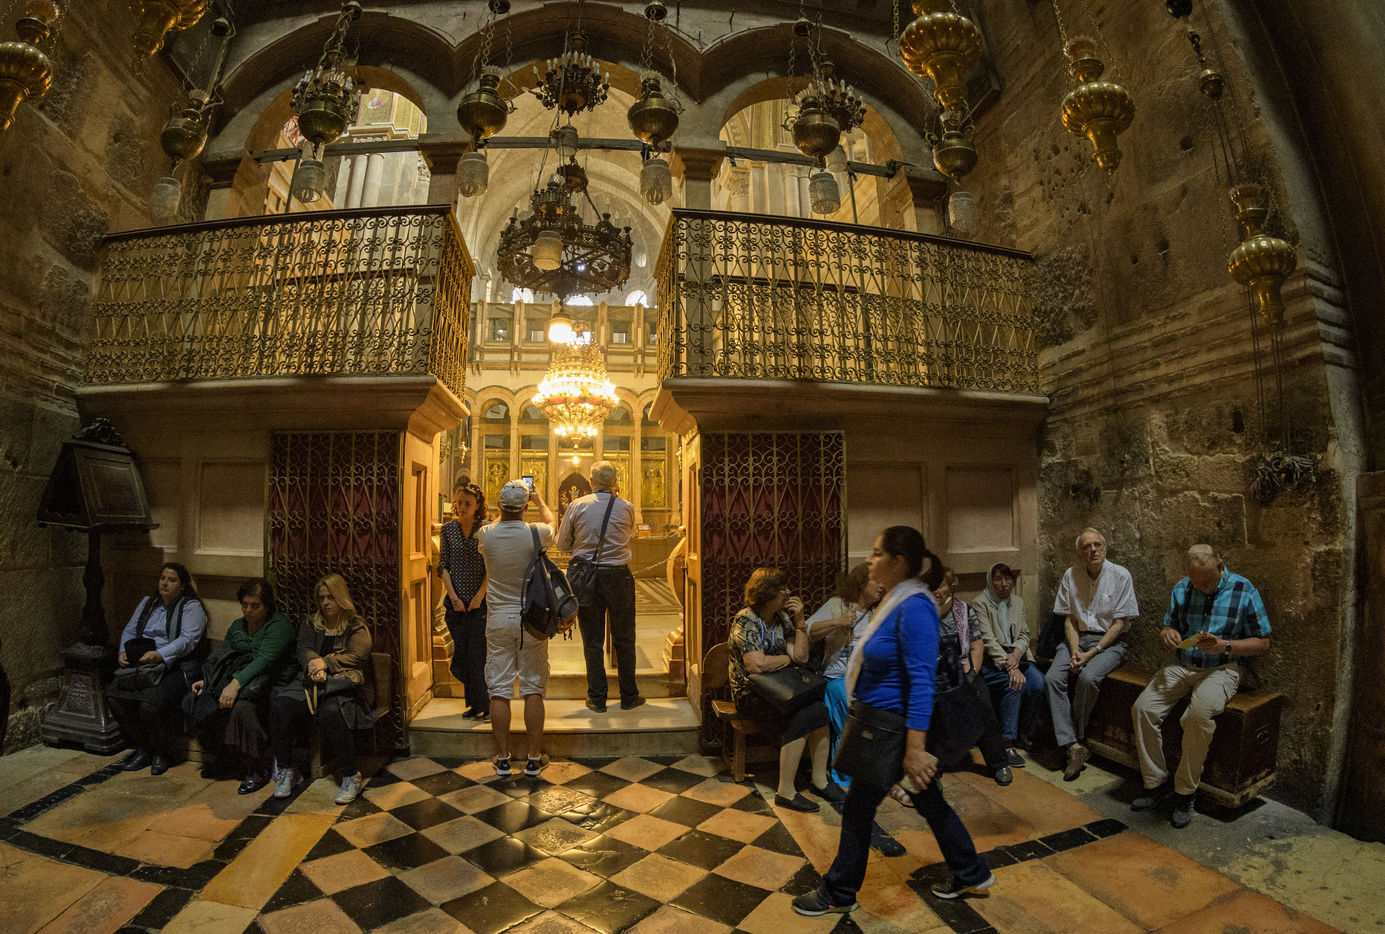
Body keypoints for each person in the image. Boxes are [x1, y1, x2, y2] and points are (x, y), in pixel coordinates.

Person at [793, 527, 992, 917]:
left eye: (877, 552)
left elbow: (921, 681)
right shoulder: (896, 601)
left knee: (858, 810)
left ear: (898, 562)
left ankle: (839, 892)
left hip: (892, 729)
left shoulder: (915, 607)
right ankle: (970, 870)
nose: (870, 560)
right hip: (883, 723)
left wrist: (915, 749)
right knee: (929, 802)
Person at [1131, 545, 1271, 828]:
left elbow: (1263, 643)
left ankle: (1185, 792)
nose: (1201, 588)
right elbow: (1168, 626)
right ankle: (1156, 783)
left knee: (1196, 717)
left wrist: (1225, 646)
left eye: (1207, 582)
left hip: (1222, 668)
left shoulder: (1243, 589)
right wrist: (1168, 633)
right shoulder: (1183, 588)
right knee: (1143, 708)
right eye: (1195, 582)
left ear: (1220, 567)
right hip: (1183, 665)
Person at [728, 567, 833, 812]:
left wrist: (800, 622)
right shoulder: (746, 619)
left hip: (782, 690)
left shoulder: (782, 618)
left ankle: (820, 781)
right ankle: (785, 791)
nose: (788, 592)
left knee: (820, 709)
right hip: (751, 694)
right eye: (782, 588)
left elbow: (802, 657)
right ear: (767, 592)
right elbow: (756, 665)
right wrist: (788, 660)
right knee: (804, 715)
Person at [270, 573, 375, 805]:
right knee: (280, 705)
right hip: (312, 684)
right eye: (321, 598)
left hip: (342, 687)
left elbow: (358, 655)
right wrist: (313, 664)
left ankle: (351, 775)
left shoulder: (355, 626)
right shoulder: (312, 623)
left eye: (331, 597)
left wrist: (325, 663)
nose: (326, 602)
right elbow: (304, 648)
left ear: (341, 597)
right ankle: (285, 769)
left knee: (332, 711)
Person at [477, 479, 557, 778]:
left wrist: (506, 511)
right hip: (531, 620)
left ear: (499, 506)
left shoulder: (486, 534)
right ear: (525, 508)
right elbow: (553, 523)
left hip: (498, 619)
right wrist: (538, 500)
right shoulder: (537, 533)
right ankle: (534, 759)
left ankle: (502, 759)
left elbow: (495, 526)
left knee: (499, 690)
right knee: (533, 688)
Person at [1047, 528, 1139, 781]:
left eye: (1097, 545)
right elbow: (1069, 620)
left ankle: (1072, 741)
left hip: (1110, 642)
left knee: (1088, 678)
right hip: (1077, 639)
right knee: (1052, 678)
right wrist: (1075, 651)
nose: (1093, 550)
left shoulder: (1120, 575)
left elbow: (1119, 624)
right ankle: (1074, 747)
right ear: (1080, 553)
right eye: (1086, 547)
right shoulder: (1071, 574)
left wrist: (1091, 654)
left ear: (1105, 548)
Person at [188, 579, 297, 793]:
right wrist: (209, 680)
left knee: (243, 708)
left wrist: (234, 685)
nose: (248, 610)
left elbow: (263, 661)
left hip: (273, 685)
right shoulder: (239, 626)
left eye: (255, 605)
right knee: (201, 699)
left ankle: (257, 768)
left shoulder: (278, 626)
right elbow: (223, 657)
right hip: (243, 682)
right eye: (244, 604)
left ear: (267, 606)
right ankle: (225, 757)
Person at [556, 461, 643, 713]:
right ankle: (629, 696)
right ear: (615, 483)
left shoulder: (577, 505)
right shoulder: (626, 507)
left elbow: (562, 544)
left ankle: (597, 698)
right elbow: (630, 535)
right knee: (624, 638)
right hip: (618, 577)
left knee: (592, 640)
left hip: (586, 577)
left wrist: (582, 548)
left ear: (591, 483)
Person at [107, 562, 208, 775]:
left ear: (182, 585)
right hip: (144, 664)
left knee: (149, 704)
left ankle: (162, 752)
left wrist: (160, 654)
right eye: (162, 578)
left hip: (175, 666)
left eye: (172, 580)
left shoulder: (191, 607)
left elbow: (187, 640)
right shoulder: (148, 603)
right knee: (114, 695)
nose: (165, 583)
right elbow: (130, 630)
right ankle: (144, 747)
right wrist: (123, 651)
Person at [804, 563, 883, 795]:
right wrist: (838, 622)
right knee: (850, 703)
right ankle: (846, 773)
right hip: (837, 677)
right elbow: (808, 631)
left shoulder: (879, 612)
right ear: (861, 584)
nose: (882, 585)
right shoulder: (836, 605)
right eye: (876, 581)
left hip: (868, 678)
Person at [934, 567, 1013, 786]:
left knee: (982, 702)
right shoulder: (922, 613)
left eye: (940, 585)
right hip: (936, 672)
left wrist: (969, 676)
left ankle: (999, 762)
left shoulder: (964, 611)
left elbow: (977, 647)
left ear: (951, 587)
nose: (935, 590)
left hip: (964, 669)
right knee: (933, 709)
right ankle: (933, 771)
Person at [973, 562, 1043, 765]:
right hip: (993, 660)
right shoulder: (980, 603)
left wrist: (1017, 655)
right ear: (990, 581)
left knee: (1038, 683)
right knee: (1014, 684)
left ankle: (1024, 732)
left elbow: (1024, 633)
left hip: (1018, 656)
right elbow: (987, 640)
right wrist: (1010, 665)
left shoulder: (1018, 602)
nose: (1004, 584)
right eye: (998, 579)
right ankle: (1007, 742)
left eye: (1007, 579)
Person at [440, 482, 490, 719]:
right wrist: (454, 597)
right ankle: (474, 704)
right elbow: (443, 565)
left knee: (476, 655)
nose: (461, 507)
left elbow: (491, 567)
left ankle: (484, 705)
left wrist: (479, 597)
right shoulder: (448, 530)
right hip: (456, 604)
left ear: (478, 505)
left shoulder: (486, 530)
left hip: (479, 604)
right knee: (462, 654)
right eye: (459, 502)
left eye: (467, 504)